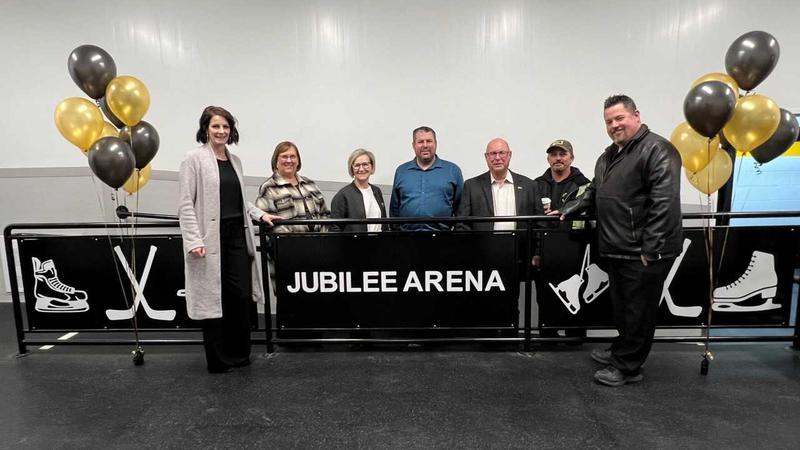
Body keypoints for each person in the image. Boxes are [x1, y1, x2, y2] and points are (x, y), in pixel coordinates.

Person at [559, 95, 683, 386]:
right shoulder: (609, 155)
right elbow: (594, 191)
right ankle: (622, 349)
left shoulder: (658, 149)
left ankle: (628, 367)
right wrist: (571, 207)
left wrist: (650, 250)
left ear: (636, 116)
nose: (614, 125)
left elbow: (664, 203)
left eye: (619, 118)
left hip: (643, 251)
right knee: (624, 307)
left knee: (639, 311)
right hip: (617, 247)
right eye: (609, 121)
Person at [178, 106, 275, 373]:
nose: (221, 131)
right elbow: (186, 204)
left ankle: (239, 354)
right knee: (213, 299)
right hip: (209, 240)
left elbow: (240, 202)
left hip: (236, 237)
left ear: (231, 130)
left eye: (225, 127)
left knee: (240, 295)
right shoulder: (193, 159)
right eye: (215, 126)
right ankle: (219, 360)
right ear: (205, 129)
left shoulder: (236, 161)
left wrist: (259, 214)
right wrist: (193, 240)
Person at [534, 139, 591, 343]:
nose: (558, 158)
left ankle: (575, 340)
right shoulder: (537, 185)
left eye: (562, 154)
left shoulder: (584, 185)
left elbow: (584, 217)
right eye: (554, 154)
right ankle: (547, 338)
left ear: (571, 158)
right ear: (548, 158)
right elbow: (533, 223)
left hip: (574, 251)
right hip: (546, 253)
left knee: (576, 298)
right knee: (546, 298)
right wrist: (537, 251)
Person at [457, 138, 541, 231]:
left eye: (502, 153)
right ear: (486, 157)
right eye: (493, 153)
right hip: (484, 244)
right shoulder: (471, 186)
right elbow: (462, 223)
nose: (497, 158)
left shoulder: (529, 186)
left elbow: (540, 223)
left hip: (520, 244)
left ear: (509, 155)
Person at [390, 126, 463, 231]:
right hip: (406, 238)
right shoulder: (402, 171)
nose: (425, 145)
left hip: (443, 238)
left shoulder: (452, 171)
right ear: (413, 145)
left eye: (429, 141)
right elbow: (394, 210)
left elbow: (460, 209)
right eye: (420, 142)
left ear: (436, 144)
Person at [255, 141, 330, 232]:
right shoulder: (269, 188)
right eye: (284, 157)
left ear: (298, 161)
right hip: (287, 243)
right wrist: (292, 241)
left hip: (319, 242)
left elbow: (325, 214)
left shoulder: (310, 184)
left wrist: (323, 237)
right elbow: (268, 223)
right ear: (276, 161)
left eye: (293, 157)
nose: (289, 160)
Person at [330, 148, 387, 232]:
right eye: (357, 165)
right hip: (354, 244)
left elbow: (384, 223)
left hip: (379, 243)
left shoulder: (376, 191)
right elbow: (335, 228)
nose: (361, 169)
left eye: (365, 164)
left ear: (372, 167)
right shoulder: (343, 195)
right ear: (352, 169)